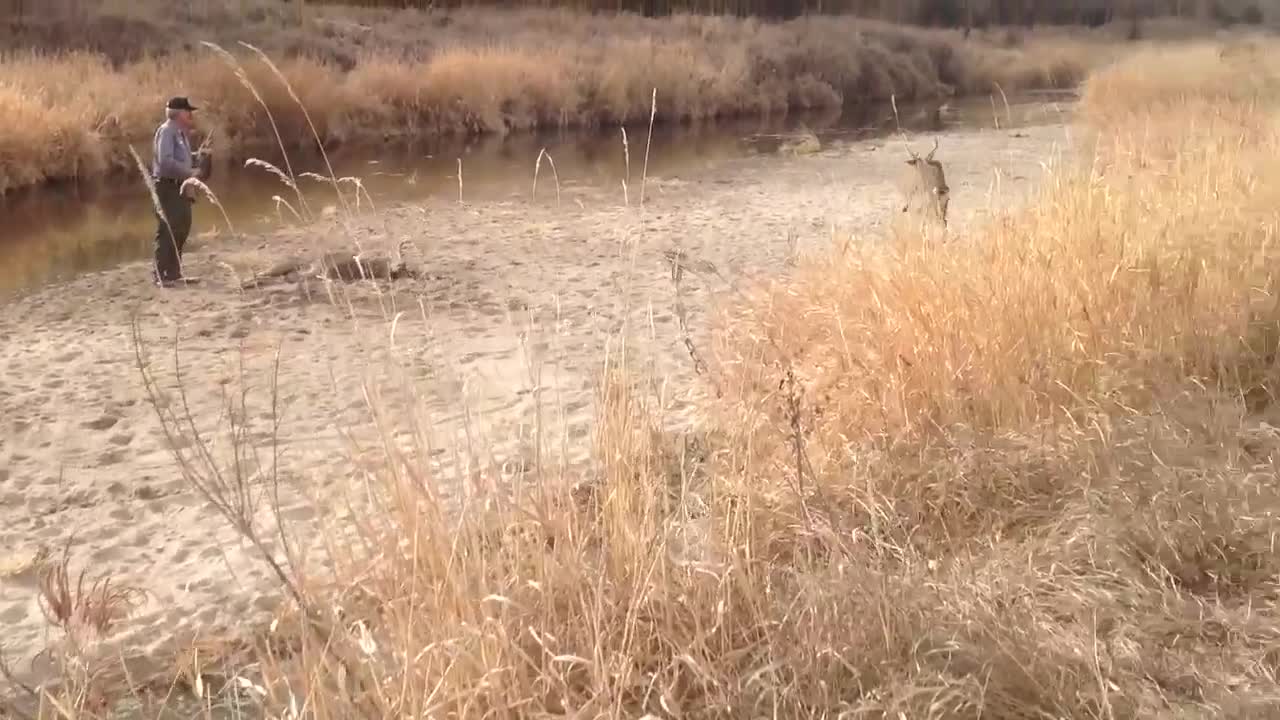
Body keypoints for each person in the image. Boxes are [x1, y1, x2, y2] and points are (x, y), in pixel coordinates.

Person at [151, 96, 208, 287]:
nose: (191, 114)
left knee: (182, 227)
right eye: (188, 111)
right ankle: (162, 276)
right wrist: (190, 172)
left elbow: (179, 158)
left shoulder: (180, 133)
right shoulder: (167, 131)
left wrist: (197, 157)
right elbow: (165, 161)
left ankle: (174, 274)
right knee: (168, 229)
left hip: (181, 187)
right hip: (167, 187)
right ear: (179, 113)